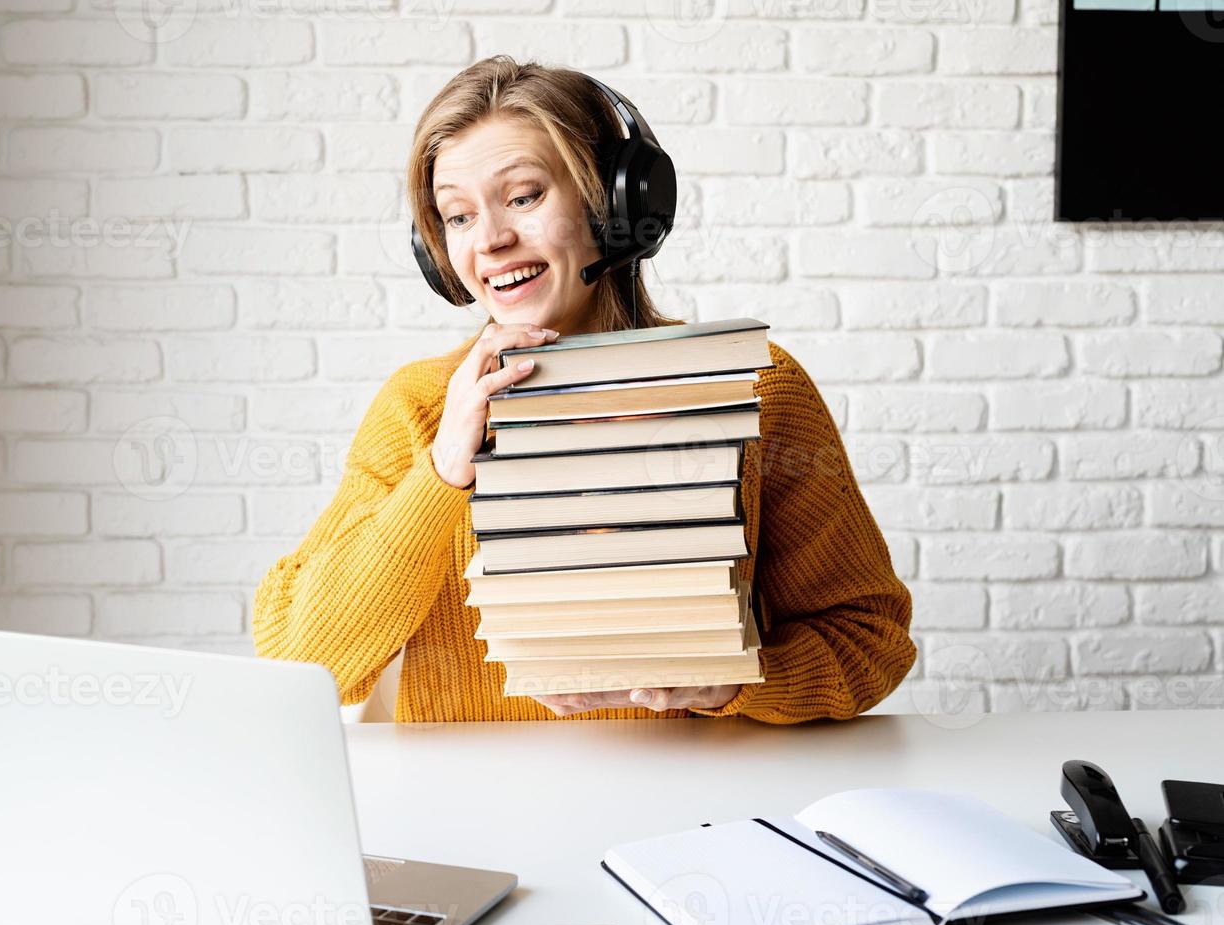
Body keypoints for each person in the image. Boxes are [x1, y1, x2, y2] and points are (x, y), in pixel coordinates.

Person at [252, 56, 916, 722]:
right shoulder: (422, 407)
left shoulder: (753, 388)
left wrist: (731, 683)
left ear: (616, 199)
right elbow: (298, 663)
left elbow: (869, 643)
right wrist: (442, 471)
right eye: (456, 217)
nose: (491, 240)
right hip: (474, 816)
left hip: (689, 809)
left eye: (524, 196)